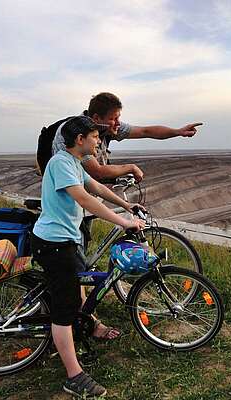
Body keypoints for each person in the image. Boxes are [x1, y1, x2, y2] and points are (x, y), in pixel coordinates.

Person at [31, 115, 145, 397]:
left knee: (79, 291)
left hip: (66, 241)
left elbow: (99, 189)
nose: (98, 142)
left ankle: (89, 326)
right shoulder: (60, 162)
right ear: (80, 139)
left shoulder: (74, 162)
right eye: (94, 137)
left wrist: (127, 206)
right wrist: (123, 222)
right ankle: (74, 376)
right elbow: (84, 199)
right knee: (64, 309)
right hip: (54, 244)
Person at [52, 92, 202, 182]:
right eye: (113, 118)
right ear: (96, 118)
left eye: (118, 118)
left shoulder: (105, 127)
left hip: (84, 188)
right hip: (66, 192)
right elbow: (97, 171)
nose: (117, 123)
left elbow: (145, 131)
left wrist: (178, 132)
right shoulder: (78, 134)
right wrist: (130, 168)